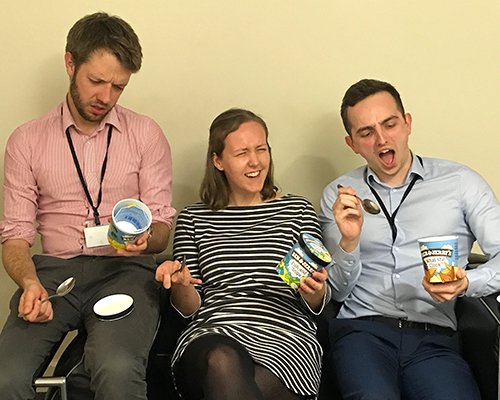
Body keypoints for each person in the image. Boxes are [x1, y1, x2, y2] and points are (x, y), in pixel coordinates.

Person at [0, 12, 175, 400]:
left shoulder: (146, 134)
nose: (106, 97)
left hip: (125, 272)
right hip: (52, 274)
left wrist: (147, 241)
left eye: (118, 87)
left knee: (117, 370)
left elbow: (162, 226)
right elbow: (14, 237)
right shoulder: (26, 141)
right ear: (70, 63)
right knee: (5, 377)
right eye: (96, 81)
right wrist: (29, 283)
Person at [319, 78, 500, 400]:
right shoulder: (339, 194)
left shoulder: (461, 183)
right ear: (352, 143)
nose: (381, 139)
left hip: (434, 337)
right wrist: (349, 241)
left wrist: (467, 283)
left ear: (407, 123)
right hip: (362, 333)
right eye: (366, 132)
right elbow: (338, 292)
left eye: (389, 124)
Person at [156, 108, 330, 400]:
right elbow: (189, 310)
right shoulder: (193, 219)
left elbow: (316, 304)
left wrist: (315, 290)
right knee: (223, 362)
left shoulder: (297, 210)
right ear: (218, 161)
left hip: (285, 338)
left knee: (236, 383)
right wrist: (181, 285)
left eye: (261, 149)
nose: (255, 161)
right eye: (242, 153)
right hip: (214, 335)